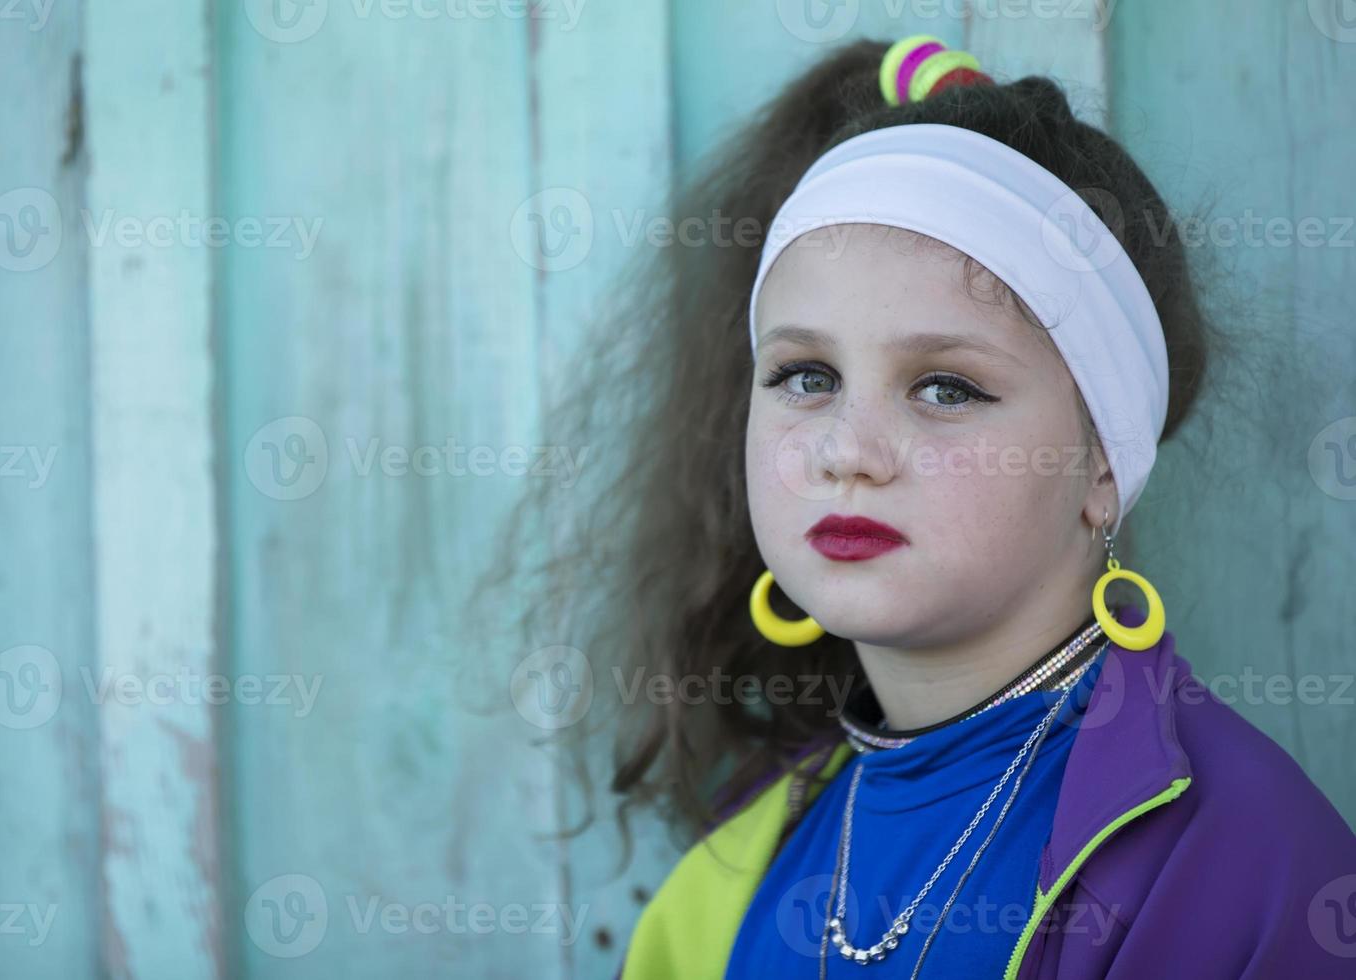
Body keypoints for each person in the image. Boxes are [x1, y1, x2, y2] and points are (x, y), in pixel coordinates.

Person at [477, 34, 1356, 979]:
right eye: (805, 375)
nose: (847, 452)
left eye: (945, 388)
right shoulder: (719, 894)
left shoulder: (1240, 865)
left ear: (1102, 463)